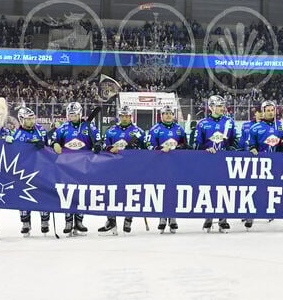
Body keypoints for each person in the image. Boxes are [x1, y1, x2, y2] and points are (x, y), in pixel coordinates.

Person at [49, 102, 101, 236]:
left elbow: (99, 140)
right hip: (66, 166)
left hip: (84, 166)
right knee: (67, 193)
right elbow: (53, 140)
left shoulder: (89, 126)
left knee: (81, 194)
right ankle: (68, 221)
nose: (72, 116)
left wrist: (98, 145)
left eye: (75, 114)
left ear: (80, 114)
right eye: (70, 114)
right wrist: (54, 144)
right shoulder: (63, 128)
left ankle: (79, 221)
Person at [241, 99, 283, 229]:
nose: (271, 113)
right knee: (255, 190)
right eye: (268, 110)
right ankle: (250, 216)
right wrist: (252, 149)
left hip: (278, 164)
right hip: (260, 165)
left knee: (279, 191)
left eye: (272, 110)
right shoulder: (255, 127)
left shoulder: (281, 126)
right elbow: (249, 145)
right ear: (263, 112)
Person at [98, 106, 146, 235]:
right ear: (119, 116)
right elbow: (103, 145)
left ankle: (128, 220)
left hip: (132, 168)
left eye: (127, 116)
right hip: (113, 168)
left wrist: (138, 148)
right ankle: (111, 222)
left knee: (131, 194)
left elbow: (147, 150)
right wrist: (109, 148)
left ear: (131, 117)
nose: (125, 118)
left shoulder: (139, 132)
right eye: (122, 116)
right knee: (111, 193)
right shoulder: (111, 130)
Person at [192, 95, 236, 233]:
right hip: (208, 162)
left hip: (224, 162)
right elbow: (195, 144)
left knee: (224, 190)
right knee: (208, 190)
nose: (222, 108)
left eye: (223, 105)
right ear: (211, 107)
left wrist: (230, 149)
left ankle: (223, 220)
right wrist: (205, 149)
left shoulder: (229, 122)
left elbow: (235, 142)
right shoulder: (202, 123)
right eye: (218, 105)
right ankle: (208, 217)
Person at [145, 104, 187, 233]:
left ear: (173, 115)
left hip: (176, 165)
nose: (168, 115)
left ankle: (173, 217)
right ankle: (162, 217)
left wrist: (178, 148)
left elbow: (186, 145)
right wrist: (159, 149)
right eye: (165, 113)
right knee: (161, 190)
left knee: (174, 191)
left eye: (170, 113)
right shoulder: (155, 129)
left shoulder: (179, 129)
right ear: (161, 115)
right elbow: (148, 145)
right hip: (160, 165)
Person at [12, 107, 51, 236]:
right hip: (24, 170)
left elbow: (49, 145)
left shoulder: (40, 130)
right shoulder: (17, 134)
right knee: (24, 196)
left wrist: (44, 145)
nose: (31, 121)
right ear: (21, 119)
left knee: (43, 195)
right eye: (28, 119)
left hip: (41, 169)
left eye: (32, 118)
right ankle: (25, 223)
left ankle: (45, 221)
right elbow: (13, 153)